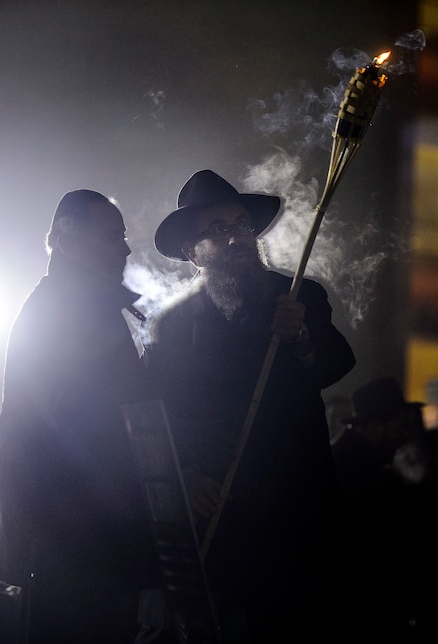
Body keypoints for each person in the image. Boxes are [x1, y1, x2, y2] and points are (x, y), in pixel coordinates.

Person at [141, 169, 356, 639]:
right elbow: (159, 420)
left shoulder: (297, 294)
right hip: (224, 510)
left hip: (299, 507)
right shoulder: (174, 327)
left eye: (241, 224)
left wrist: (300, 337)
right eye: (219, 230)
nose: (237, 236)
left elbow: (339, 362)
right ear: (191, 252)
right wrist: (187, 476)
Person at [0, 189, 159, 643]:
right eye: (112, 236)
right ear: (66, 240)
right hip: (81, 535)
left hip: (71, 532)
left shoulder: (74, 305)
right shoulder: (70, 310)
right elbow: (94, 425)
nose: (125, 248)